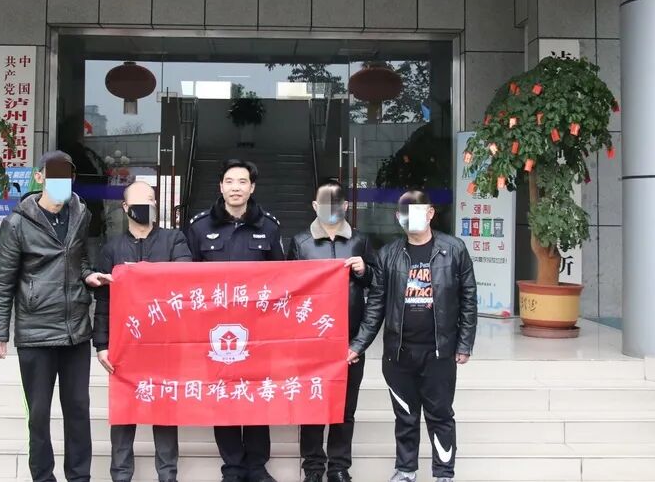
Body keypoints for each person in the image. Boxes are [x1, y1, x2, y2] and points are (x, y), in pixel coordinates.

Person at [0, 151, 113, 482]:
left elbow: (79, 258)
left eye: (66, 175)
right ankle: (43, 476)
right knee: (39, 414)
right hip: (36, 331)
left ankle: (79, 477)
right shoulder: (17, 223)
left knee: (78, 409)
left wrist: (88, 275)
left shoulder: (81, 214)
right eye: (53, 174)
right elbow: (3, 282)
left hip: (75, 330)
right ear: (40, 177)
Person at [350, 190, 478, 482]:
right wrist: (358, 345)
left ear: (430, 213)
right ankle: (406, 470)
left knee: (440, 415)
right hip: (399, 354)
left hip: (439, 352)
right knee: (405, 415)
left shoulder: (454, 249)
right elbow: (376, 306)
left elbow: (468, 299)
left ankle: (444, 473)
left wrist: (464, 343)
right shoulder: (388, 255)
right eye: (405, 213)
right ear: (398, 217)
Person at [185, 158, 284, 482]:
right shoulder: (200, 227)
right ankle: (233, 467)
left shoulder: (269, 227)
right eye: (229, 181)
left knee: (256, 395)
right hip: (215, 332)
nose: (235, 188)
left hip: (258, 331)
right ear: (221, 187)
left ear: (252, 187)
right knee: (223, 396)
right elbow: (185, 279)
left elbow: (282, 279)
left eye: (242, 182)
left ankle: (256, 466)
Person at [93, 181, 192, 482]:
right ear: (125, 208)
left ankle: (168, 475)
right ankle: (121, 475)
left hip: (165, 342)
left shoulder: (174, 240)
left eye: (150, 200)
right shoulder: (112, 248)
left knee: (165, 412)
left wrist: (139, 273)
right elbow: (104, 301)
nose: (145, 206)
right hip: (125, 344)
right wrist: (101, 345)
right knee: (124, 414)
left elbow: (185, 277)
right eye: (138, 202)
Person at [285, 178, 379, 482]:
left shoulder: (360, 241)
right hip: (311, 345)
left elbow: (378, 286)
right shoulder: (300, 242)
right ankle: (313, 467)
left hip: (349, 343)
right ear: (315, 206)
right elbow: (287, 292)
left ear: (346, 206)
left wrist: (365, 271)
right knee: (312, 406)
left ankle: (339, 467)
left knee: (344, 409)